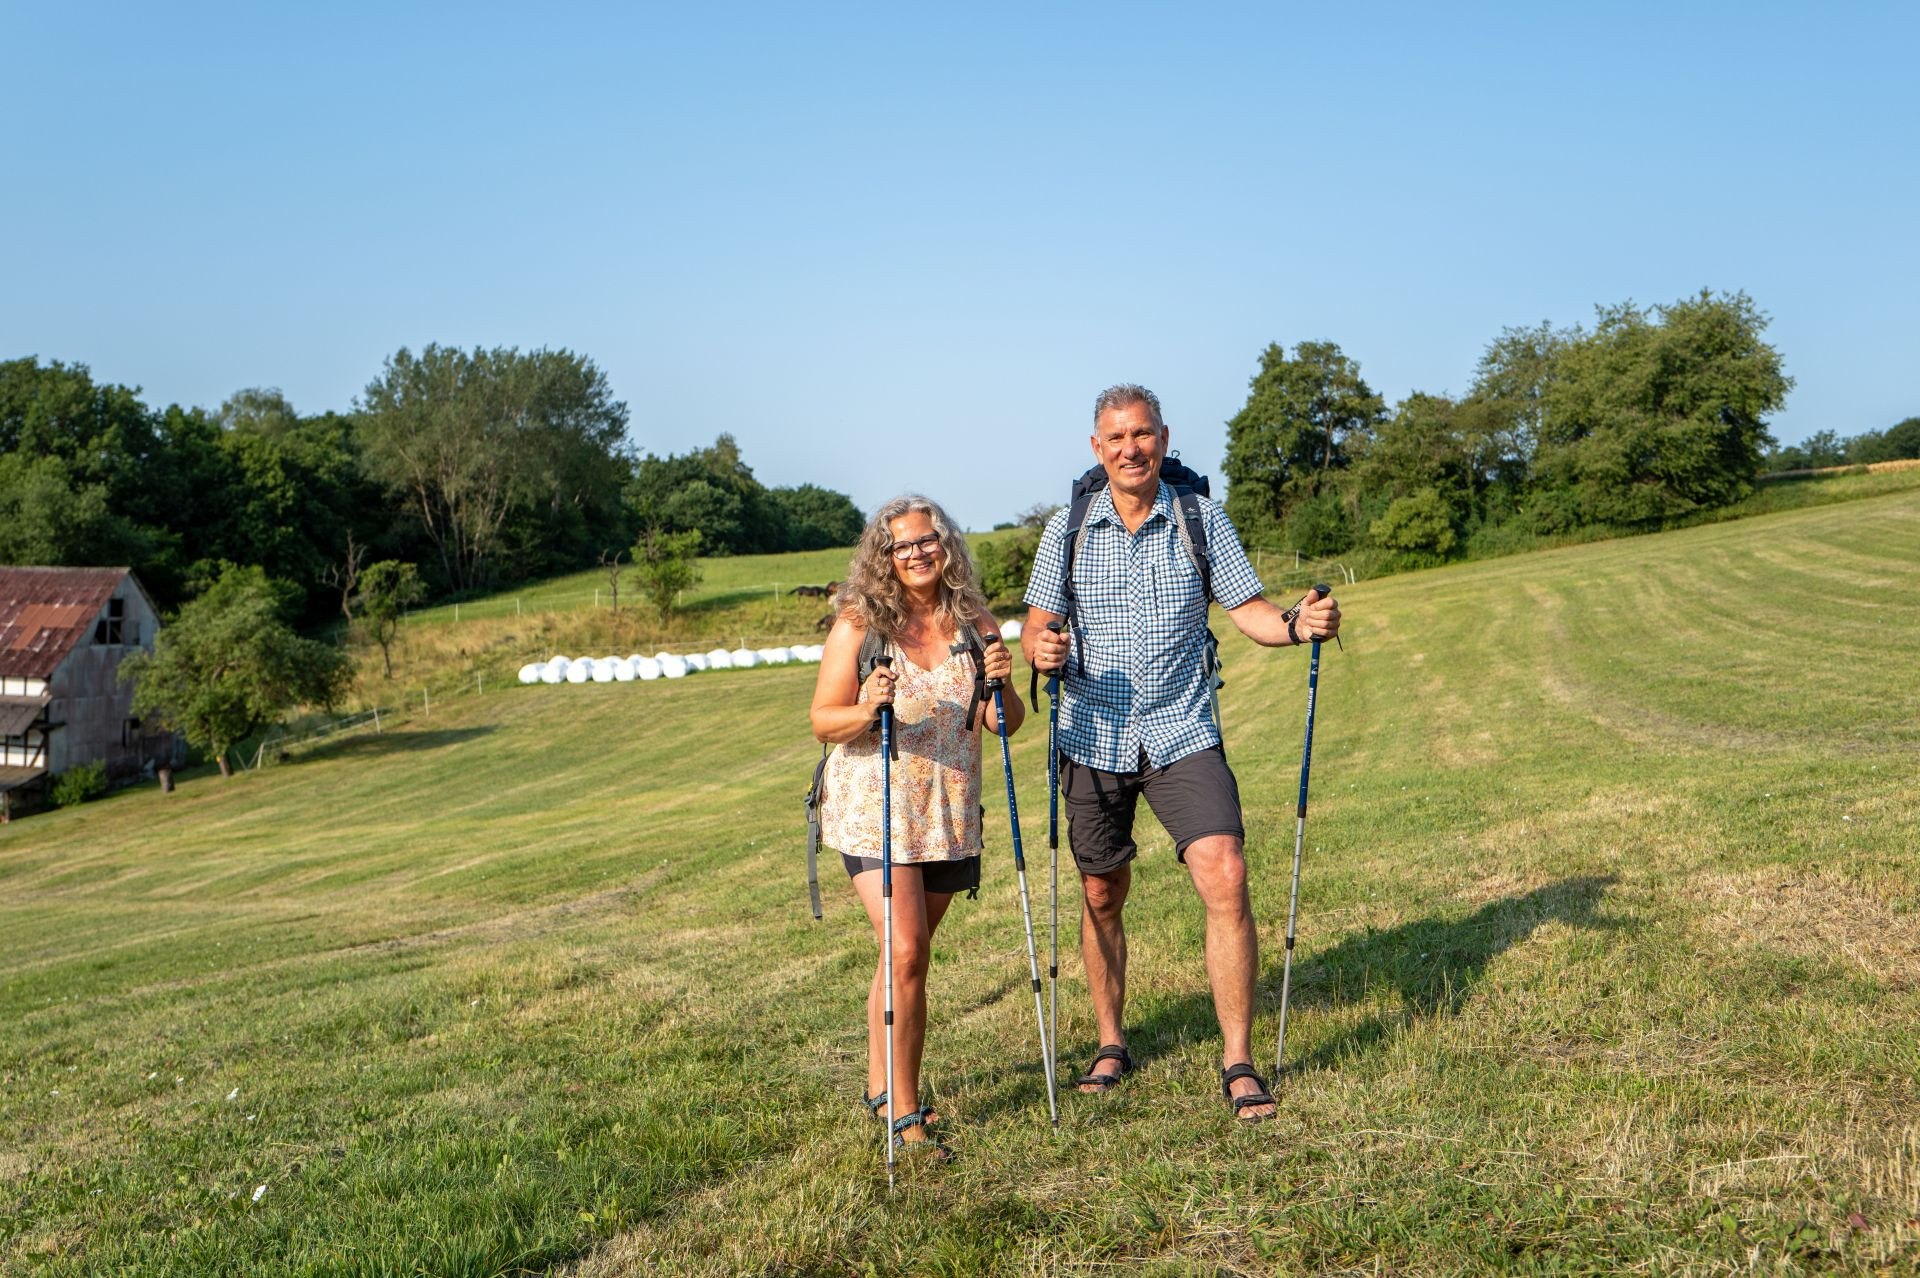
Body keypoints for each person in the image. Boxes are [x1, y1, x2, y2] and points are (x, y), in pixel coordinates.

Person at [1021, 383, 1342, 1123]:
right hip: (1093, 734)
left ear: (1163, 439)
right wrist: (1040, 648)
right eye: (1115, 438)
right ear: (1096, 449)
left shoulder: (1199, 518)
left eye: (1143, 435)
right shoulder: (1065, 530)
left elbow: (1253, 612)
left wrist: (1300, 624)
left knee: (1224, 871)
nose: (1130, 449)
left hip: (1182, 727)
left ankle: (1239, 1060)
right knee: (1102, 892)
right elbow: (1037, 629)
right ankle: (1110, 1043)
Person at [810, 494, 1023, 1159]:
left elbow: (1004, 722)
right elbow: (824, 720)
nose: (918, 553)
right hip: (874, 815)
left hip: (947, 816)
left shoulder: (975, 622)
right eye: (903, 546)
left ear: (947, 543)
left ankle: (878, 1082)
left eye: (927, 540)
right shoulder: (859, 623)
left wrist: (1005, 684)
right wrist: (867, 703)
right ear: (884, 556)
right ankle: (905, 1110)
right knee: (906, 951)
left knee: (900, 955)